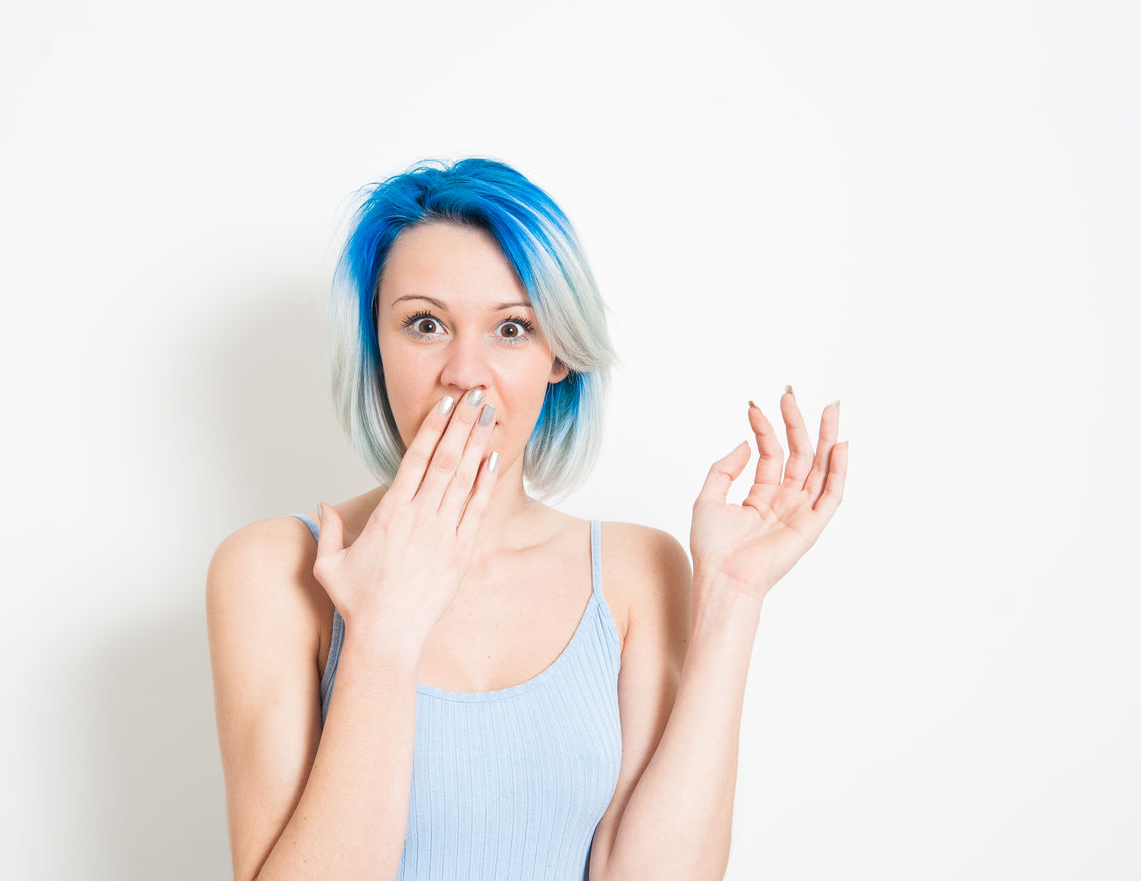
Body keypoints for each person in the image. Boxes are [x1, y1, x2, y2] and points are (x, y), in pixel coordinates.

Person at [205, 157, 848, 881]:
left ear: (558, 356)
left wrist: (732, 600)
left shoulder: (635, 574)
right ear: (374, 344)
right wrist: (382, 635)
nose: (466, 372)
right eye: (425, 324)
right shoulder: (271, 571)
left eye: (511, 329)